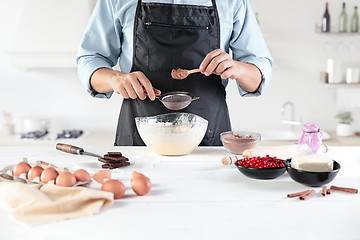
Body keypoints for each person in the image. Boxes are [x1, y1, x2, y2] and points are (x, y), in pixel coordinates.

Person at [76, 0, 273, 146]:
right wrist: (113, 78)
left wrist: (238, 68)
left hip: (208, 141)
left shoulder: (231, 2)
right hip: (139, 142)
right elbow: (89, 59)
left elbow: (257, 75)